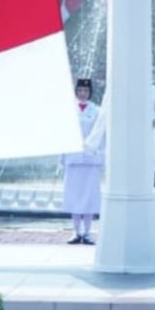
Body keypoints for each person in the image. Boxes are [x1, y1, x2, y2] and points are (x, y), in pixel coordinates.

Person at [62, 78, 103, 245]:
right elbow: (64, 134)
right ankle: (75, 231)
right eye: (80, 90)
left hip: (91, 158)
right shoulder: (68, 110)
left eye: (86, 91)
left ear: (90, 92)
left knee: (89, 196)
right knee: (74, 195)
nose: (83, 93)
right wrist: (62, 157)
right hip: (74, 158)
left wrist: (101, 155)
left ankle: (87, 232)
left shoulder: (97, 111)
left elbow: (101, 134)